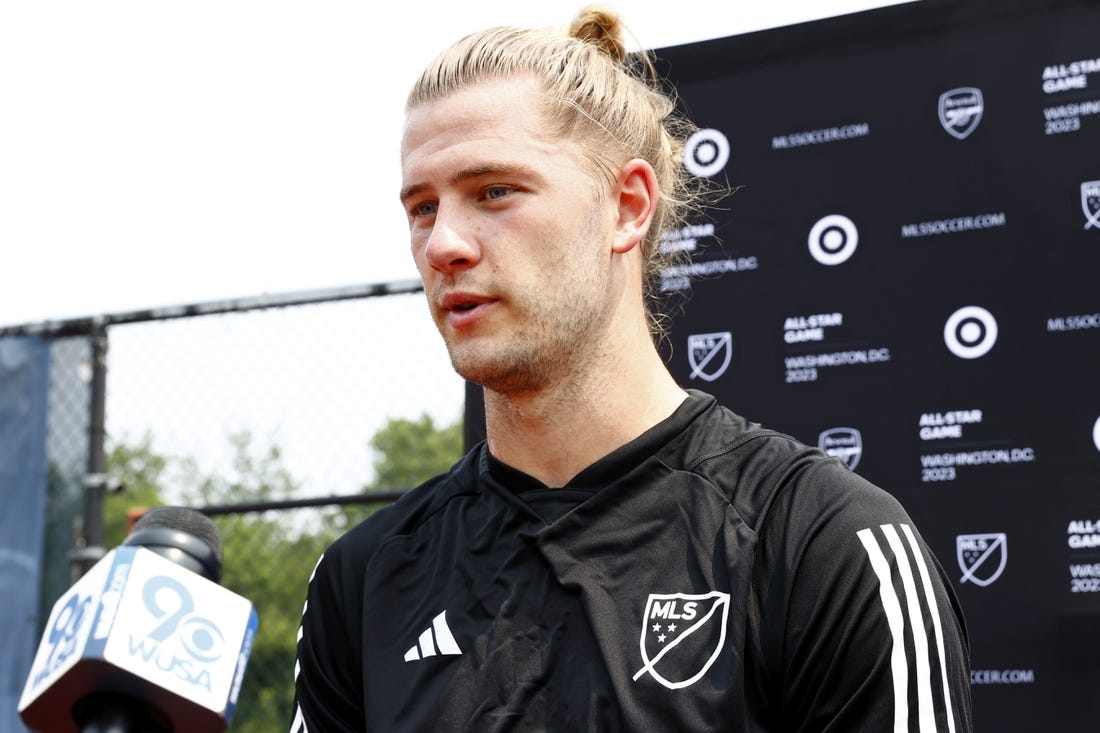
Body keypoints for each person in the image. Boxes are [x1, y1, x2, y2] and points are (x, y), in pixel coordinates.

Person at [291, 6, 973, 731]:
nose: (444, 244)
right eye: (422, 208)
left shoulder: (824, 544)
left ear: (627, 205)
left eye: (494, 191)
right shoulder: (365, 578)